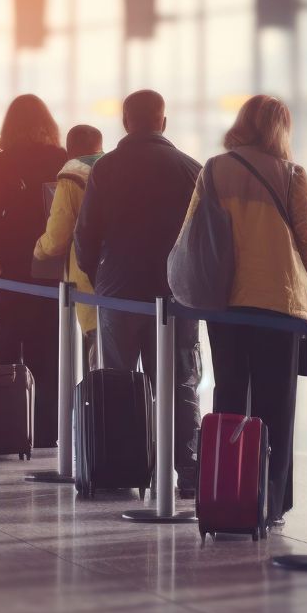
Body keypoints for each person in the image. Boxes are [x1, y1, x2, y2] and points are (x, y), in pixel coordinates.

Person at [182, 95, 307, 521]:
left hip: (225, 302)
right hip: (280, 303)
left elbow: (192, 231)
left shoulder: (214, 169)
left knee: (227, 395)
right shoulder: (292, 176)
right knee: (275, 403)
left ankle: (226, 492)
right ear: (280, 130)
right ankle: (270, 503)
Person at [75, 91, 203, 494]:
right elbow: (202, 236)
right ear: (163, 122)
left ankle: (121, 471)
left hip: (119, 293)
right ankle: (190, 473)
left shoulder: (106, 168)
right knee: (180, 382)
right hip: (177, 293)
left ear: (126, 122)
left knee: (117, 381)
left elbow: (86, 236)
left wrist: (103, 278)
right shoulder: (191, 169)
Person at [0, 95, 69, 448]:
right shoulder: (61, 159)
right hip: (50, 260)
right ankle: (48, 432)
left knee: (8, 342)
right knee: (48, 347)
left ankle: (8, 426)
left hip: (12, 262)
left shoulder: (0, 162)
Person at [33, 124, 104, 360]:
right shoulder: (116, 168)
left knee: (99, 366)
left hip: (89, 283)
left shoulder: (71, 177)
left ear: (68, 149)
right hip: (126, 283)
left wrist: (38, 250)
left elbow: (57, 239)